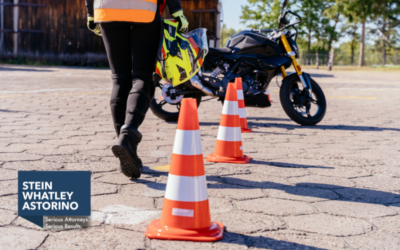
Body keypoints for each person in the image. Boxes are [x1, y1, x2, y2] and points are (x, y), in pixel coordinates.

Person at [85, 0, 189, 179]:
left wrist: (90, 12)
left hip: (107, 8)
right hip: (144, 8)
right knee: (142, 76)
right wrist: (176, 11)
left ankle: (126, 148)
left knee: (119, 79)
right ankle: (128, 137)